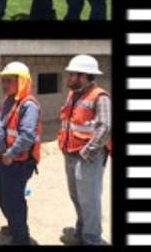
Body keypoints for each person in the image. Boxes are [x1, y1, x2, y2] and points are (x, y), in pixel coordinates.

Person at [58, 55, 112, 246]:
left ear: (85, 76)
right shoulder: (73, 94)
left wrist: (87, 152)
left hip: (88, 158)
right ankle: (82, 230)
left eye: (72, 74)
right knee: (76, 196)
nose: (69, 77)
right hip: (70, 153)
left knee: (89, 200)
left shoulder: (100, 97)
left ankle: (92, 239)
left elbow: (105, 127)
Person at [0, 61, 41, 246]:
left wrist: (10, 154)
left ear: (22, 81)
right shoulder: (9, 100)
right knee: (0, 191)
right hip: (4, 159)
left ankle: (21, 238)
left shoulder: (29, 105)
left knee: (14, 199)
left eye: (9, 80)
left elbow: (27, 136)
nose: (4, 84)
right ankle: (13, 225)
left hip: (17, 161)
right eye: (3, 80)